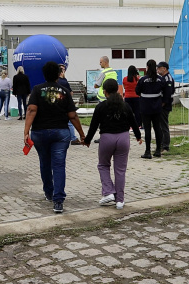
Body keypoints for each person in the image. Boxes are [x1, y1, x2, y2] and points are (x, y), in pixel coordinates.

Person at [24, 61, 85, 214]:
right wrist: (82, 134)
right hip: (60, 133)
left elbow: (31, 110)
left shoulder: (37, 90)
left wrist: (26, 132)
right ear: (59, 74)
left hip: (40, 132)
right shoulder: (64, 91)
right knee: (58, 165)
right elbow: (72, 115)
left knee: (44, 163)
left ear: (44, 74)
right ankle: (58, 201)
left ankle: (49, 193)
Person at [83, 79, 141, 210]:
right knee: (120, 170)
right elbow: (134, 122)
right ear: (117, 90)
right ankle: (120, 201)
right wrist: (138, 137)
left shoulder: (100, 106)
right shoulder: (125, 106)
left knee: (103, 165)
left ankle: (108, 191)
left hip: (107, 138)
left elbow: (93, 126)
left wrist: (87, 140)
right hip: (124, 139)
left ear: (105, 92)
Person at [134, 60, 165, 159]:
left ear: (147, 67)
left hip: (145, 107)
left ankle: (148, 151)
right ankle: (158, 151)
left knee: (147, 129)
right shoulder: (160, 79)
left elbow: (137, 91)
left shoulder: (143, 79)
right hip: (157, 107)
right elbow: (165, 91)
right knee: (157, 128)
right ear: (155, 68)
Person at [156, 61, 175, 156]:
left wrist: (163, 103)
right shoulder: (162, 78)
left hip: (165, 105)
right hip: (161, 104)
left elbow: (168, 93)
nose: (157, 70)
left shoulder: (168, 79)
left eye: (159, 68)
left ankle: (165, 146)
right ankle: (161, 144)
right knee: (160, 125)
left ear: (164, 68)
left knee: (164, 125)